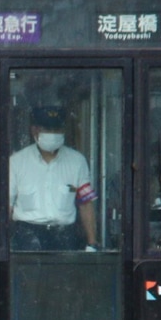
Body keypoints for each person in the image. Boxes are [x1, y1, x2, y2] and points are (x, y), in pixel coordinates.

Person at [9, 105, 98, 251]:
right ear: (34, 130)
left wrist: (92, 243)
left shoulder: (77, 161)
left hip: (65, 236)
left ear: (63, 131)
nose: (52, 134)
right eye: (47, 129)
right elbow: (8, 204)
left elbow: (86, 203)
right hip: (27, 235)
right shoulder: (17, 162)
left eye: (56, 129)